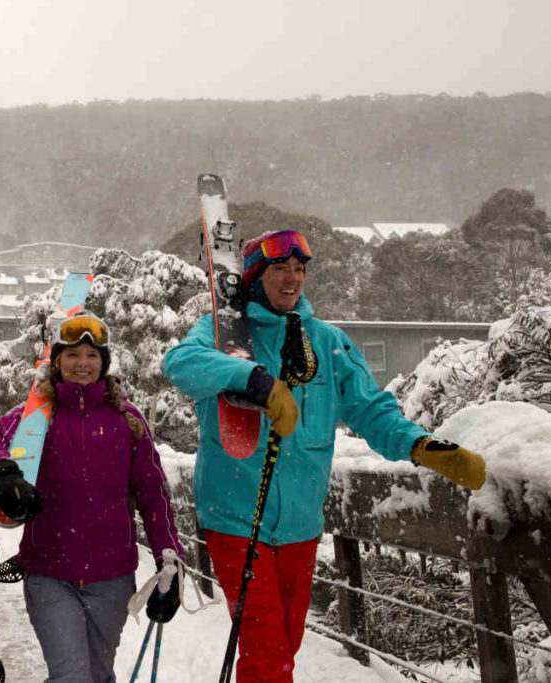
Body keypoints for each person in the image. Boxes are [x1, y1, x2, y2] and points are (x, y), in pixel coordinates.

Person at [164, 229, 486, 683]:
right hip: (236, 516)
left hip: (301, 519)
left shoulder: (328, 343)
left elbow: (371, 411)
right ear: (257, 277)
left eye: (299, 269)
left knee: (286, 642)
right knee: (265, 644)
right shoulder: (224, 333)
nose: (293, 279)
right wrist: (253, 379)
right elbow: (179, 363)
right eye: (280, 269)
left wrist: (420, 446)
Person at [0, 312, 185, 682]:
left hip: (112, 577)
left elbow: (154, 496)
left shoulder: (128, 420)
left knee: (98, 674)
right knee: (71, 674)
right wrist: (2, 474)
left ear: (104, 362)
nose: (82, 363)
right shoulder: (37, 414)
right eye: (72, 354)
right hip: (48, 573)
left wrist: (169, 560)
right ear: (57, 361)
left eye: (92, 355)